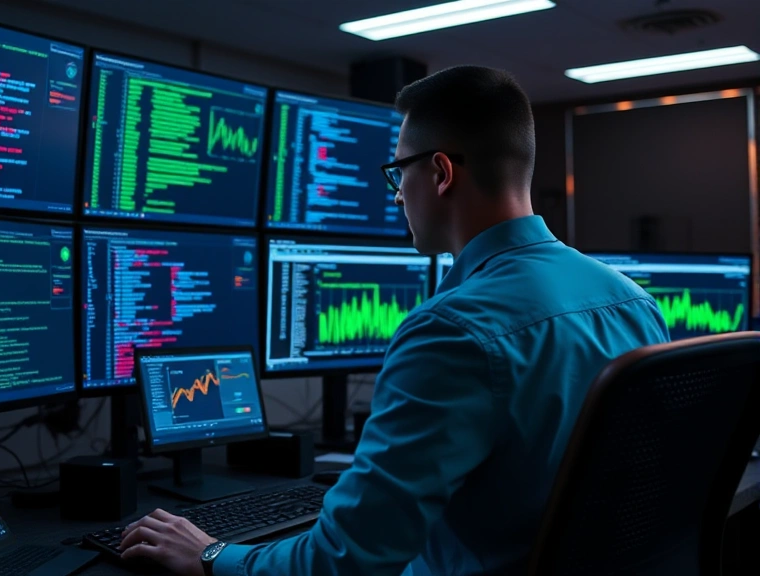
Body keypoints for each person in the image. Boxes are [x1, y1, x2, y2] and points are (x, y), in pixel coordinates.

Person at [118, 65, 671, 576]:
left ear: (439, 172)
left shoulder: (452, 329)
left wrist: (212, 554)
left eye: (397, 172)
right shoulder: (633, 301)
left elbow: (345, 562)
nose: (397, 193)